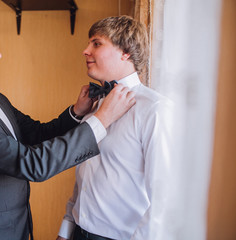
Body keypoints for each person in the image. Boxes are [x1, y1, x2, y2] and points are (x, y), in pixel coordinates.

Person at [0, 10, 135, 240]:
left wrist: (77, 112)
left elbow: (37, 134)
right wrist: (102, 119)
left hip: (18, 228)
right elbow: (34, 163)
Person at [57, 16, 172, 240]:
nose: (85, 51)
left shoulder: (156, 110)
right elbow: (86, 175)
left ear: (126, 51)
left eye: (96, 43)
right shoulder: (93, 105)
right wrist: (66, 228)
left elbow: (164, 197)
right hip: (78, 232)